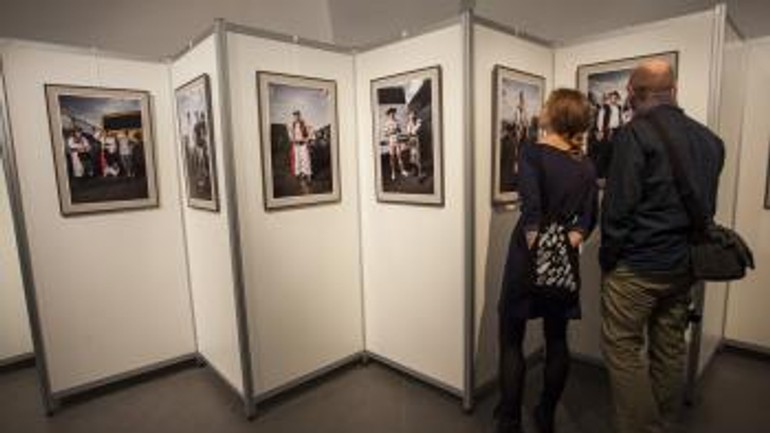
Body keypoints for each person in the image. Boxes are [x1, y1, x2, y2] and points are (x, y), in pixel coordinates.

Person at [600, 60, 724, 433]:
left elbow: (618, 208)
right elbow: (707, 208)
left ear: (634, 95)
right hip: (682, 267)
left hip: (637, 268)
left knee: (622, 349)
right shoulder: (710, 140)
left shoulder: (633, 136)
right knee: (670, 347)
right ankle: (665, 423)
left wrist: (608, 260)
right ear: (674, 90)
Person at [497, 89, 599, 433]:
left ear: (555, 115)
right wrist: (568, 241)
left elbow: (531, 213)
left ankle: (509, 420)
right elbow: (588, 219)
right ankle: (545, 415)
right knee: (557, 338)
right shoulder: (585, 164)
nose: (541, 110)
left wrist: (538, 248)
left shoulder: (533, 153)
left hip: (529, 256)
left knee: (511, 336)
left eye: (546, 105)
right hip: (563, 258)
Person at [289, 110, 314, 184]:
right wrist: (292, 139)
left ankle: (308, 175)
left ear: (300, 115)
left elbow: (311, 130)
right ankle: (301, 174)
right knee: (298, 160)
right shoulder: (292, 124)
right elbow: (290, 134)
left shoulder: (304, 123)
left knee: (306, 159)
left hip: (303, 144)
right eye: (295, 116)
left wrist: (307, 139)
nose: (296, 117)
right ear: (293, 117)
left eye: (297, 115)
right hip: (296, 145)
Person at [383, 107, 407, 180]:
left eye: (393, 113)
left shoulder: (397, 121)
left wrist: (398, 130)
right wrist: (391, 131)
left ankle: (402, 170)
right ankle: (393, 173)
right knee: (392, 157)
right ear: (389, 114)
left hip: (397, 141)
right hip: (391, 142)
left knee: (399, 156)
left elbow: (400, 130)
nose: (392, 115)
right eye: (391, 113)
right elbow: (385, 134)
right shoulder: (387, 123)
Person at [405, 110, 423, 177]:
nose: (412, 116)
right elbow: (409, 133)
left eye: (413, 114)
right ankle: (414, 171)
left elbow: (414, 132)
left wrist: (418, 125)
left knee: (418, 157)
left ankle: (420, 173)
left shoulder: (417, 122)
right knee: (412, 156)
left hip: (416, 139)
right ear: (409, 116)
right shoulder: (409, 124)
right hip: (411, 140)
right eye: (410, 115)